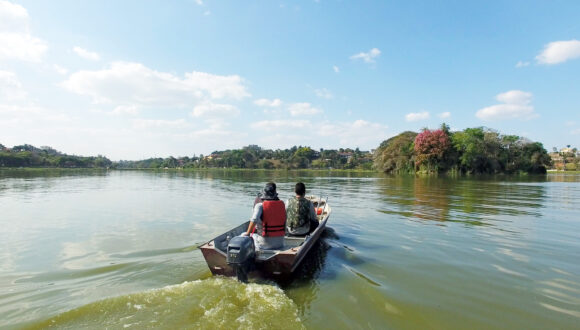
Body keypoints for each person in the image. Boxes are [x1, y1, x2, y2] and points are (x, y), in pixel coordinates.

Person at [241, 182, 286, 250]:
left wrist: (247, 233)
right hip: (280, 243)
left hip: (264, 245)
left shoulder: (260, 206)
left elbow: (254, 220)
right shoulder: (282, 205)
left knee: (243, 235)